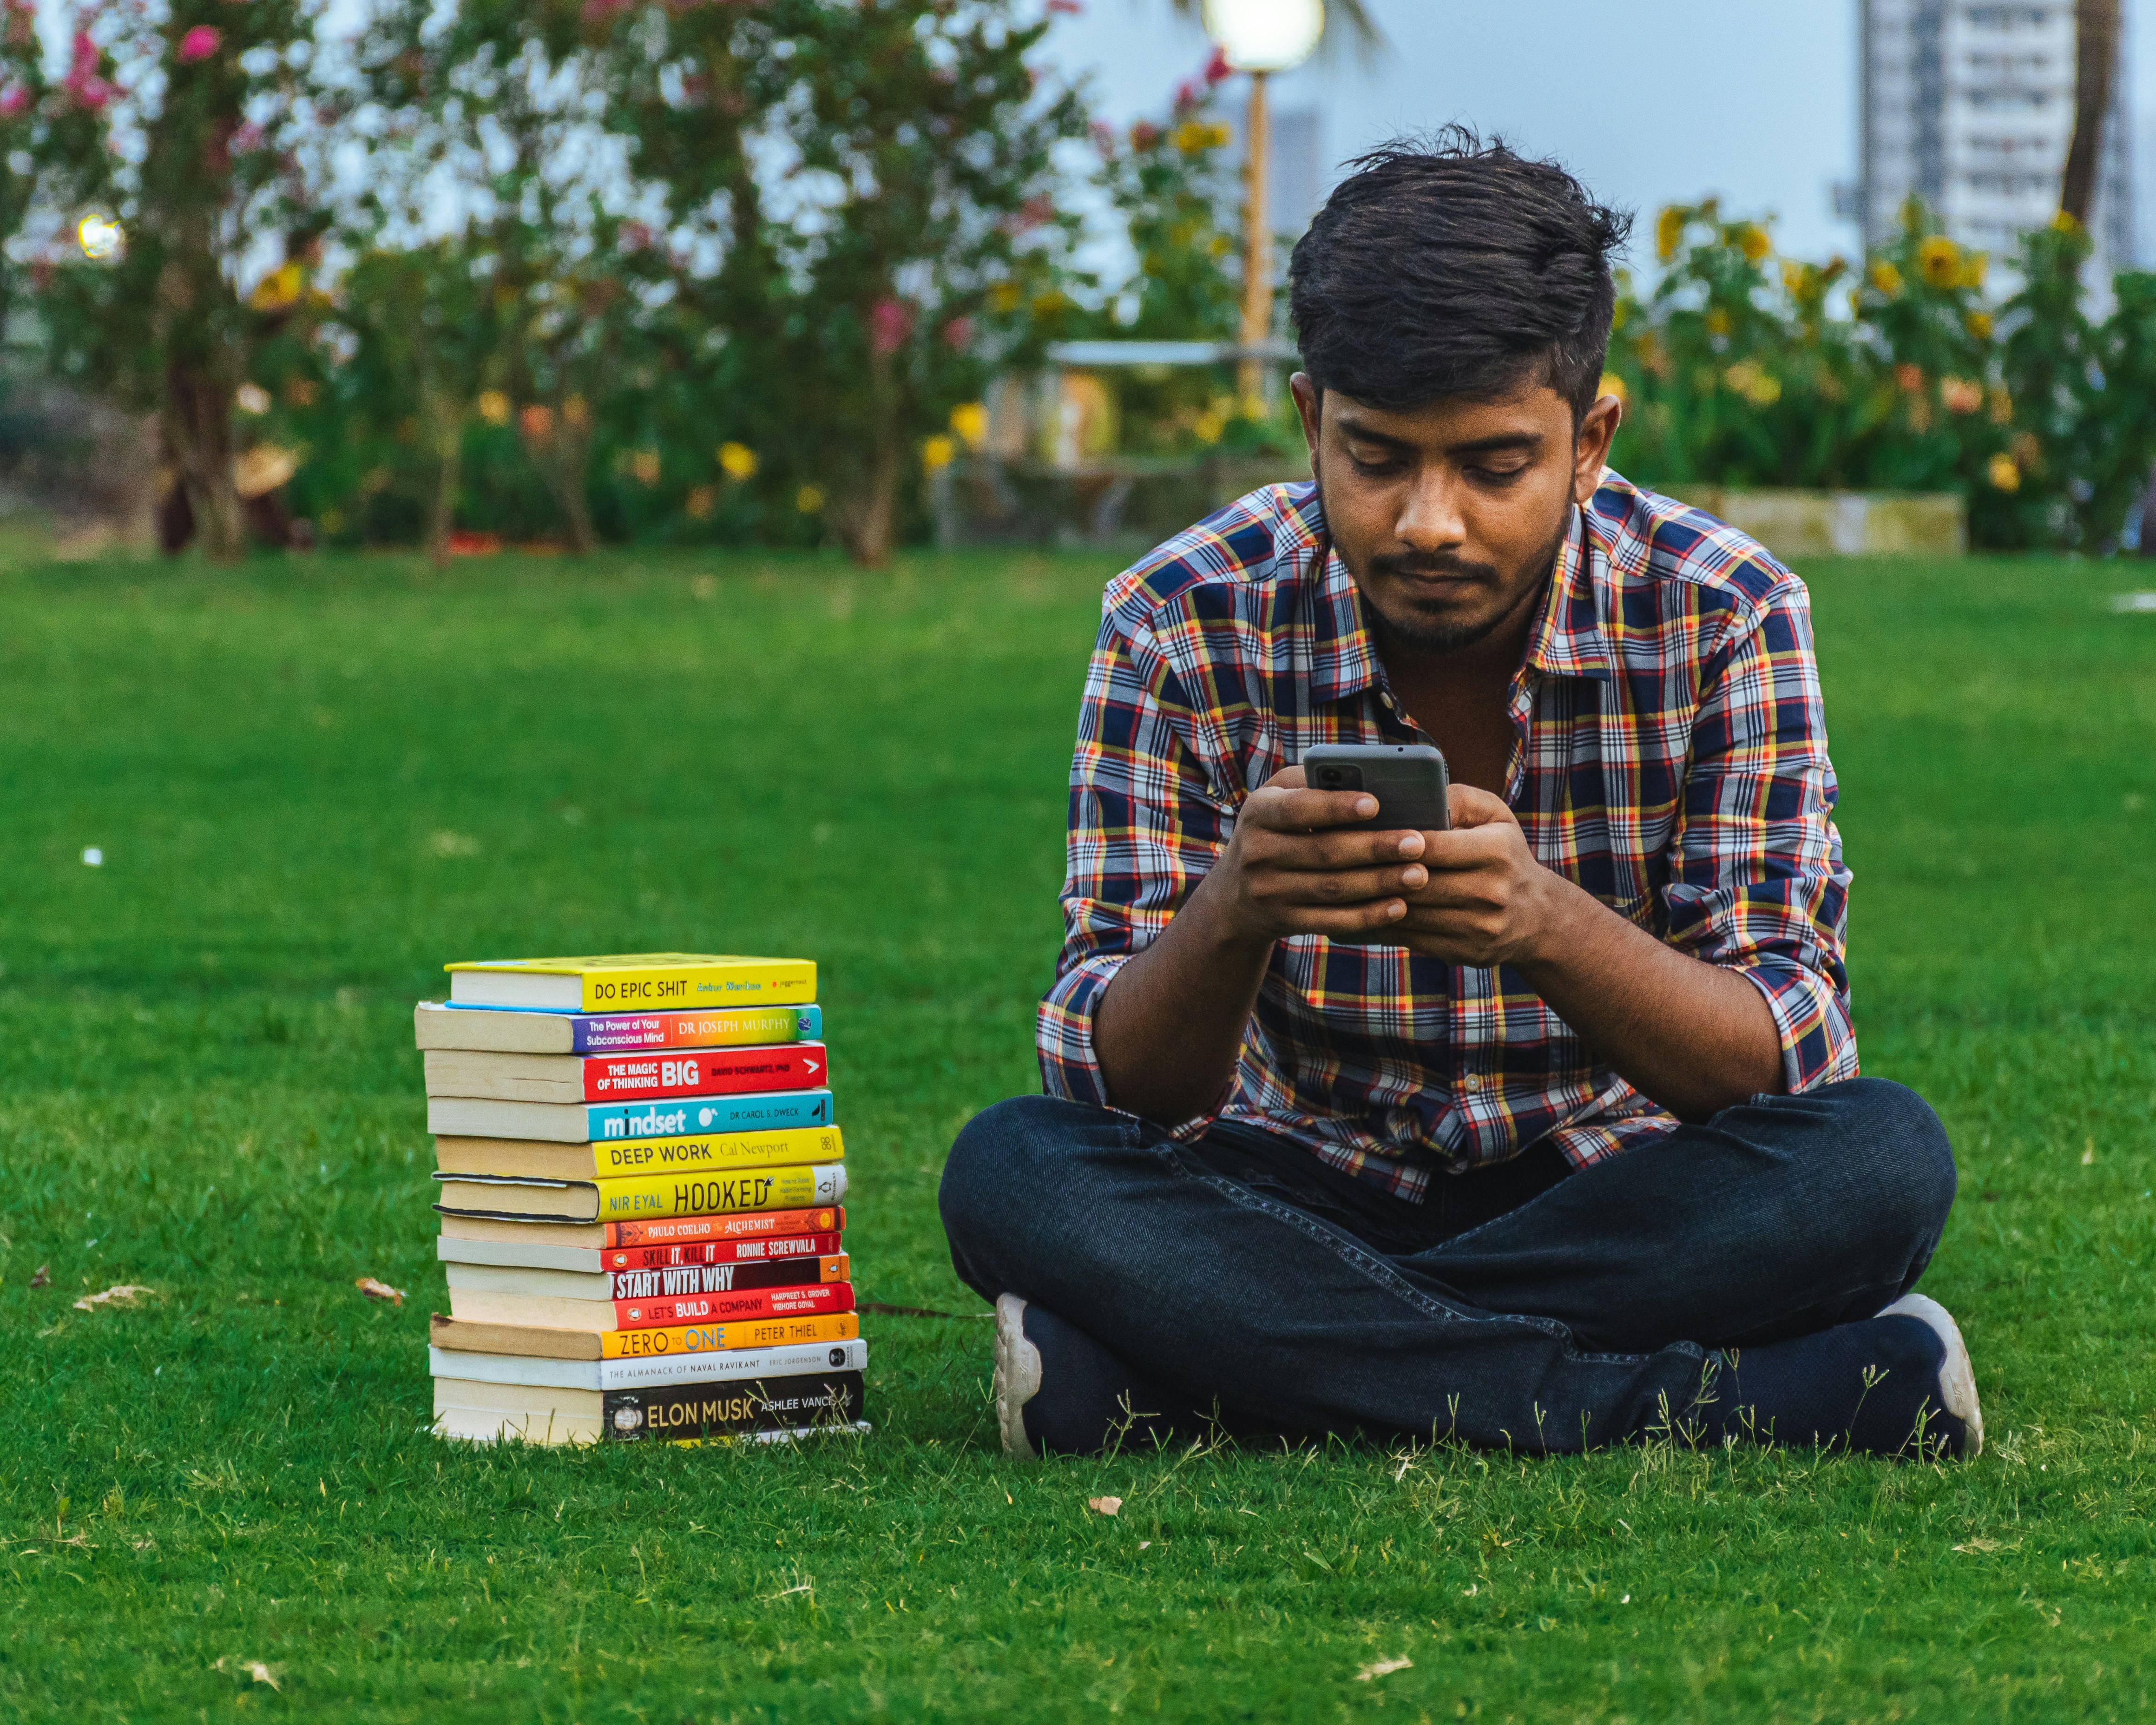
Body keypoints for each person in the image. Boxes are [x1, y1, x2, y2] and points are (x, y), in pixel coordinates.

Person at [939, 132, 1979, 1462]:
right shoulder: (1181, 613)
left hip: (1612, 1188)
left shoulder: (1723, 609)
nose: (1430, 521)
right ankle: (1701, 1403)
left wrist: (1547, 924)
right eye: (1377, 459)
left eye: (1494, 467)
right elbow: (1118, 1089)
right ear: (1313, 420)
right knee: (1016, 1171)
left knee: (1879, 1163)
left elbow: (1782, 1051)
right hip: (1295, 1181)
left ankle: (1210, 1384)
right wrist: (1236, 913)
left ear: (1588, 440)